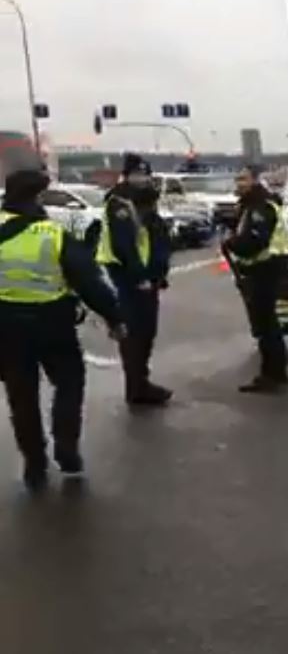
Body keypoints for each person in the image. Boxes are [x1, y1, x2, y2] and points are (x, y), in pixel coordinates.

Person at [0, 169, 125, 490]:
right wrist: (114, 317)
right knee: (70, 383)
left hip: (7, 329)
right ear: (36, 198)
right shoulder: (53, 235)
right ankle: (66, 448)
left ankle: (34, 463)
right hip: (53, 323)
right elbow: (89, 282)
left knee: (21, 396)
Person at [97, 153, 173, 406]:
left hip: (147, 276)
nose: (143, 179)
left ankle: (141, 382)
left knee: (147, 331)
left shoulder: (147, 201)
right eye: (138, 174)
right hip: (126, 276)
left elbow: (155, 238)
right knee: (134, 333)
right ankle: (136, 387)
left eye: (146, 174)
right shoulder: (119, 203)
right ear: (127, 176)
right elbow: (124, 245)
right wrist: (140, 276)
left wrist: (157, 273)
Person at [222, 165, 288, 393]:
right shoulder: (252, 204)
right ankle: (275, 372)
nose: (239, 183)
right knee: (266, 323)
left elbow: (255, 241)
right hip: (262, 267)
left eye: (243, 179)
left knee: (266, 324)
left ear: (255, 180)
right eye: (237, 179)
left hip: (265, 267)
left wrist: (232, 243)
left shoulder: (261, 206)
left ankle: (272, 374)